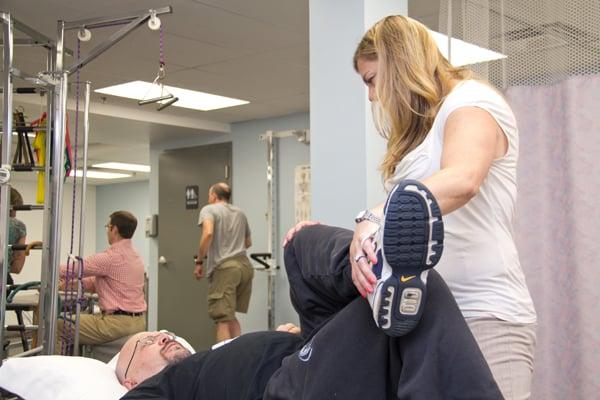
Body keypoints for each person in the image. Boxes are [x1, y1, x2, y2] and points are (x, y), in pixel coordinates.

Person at [121, 183, 503, 399]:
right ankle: (377, 265)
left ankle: (370, 260)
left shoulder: (213, 355)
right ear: (130, 379)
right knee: (422, 292)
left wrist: (290, 339)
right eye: (147, 341)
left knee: (299, 245)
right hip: (286, 385)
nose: (162, 334)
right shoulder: (167, 386)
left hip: (314, 354)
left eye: (158, 332)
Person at [348, 15, 536, 399]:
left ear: (398, 63)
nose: (370, 96)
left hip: (485, 313)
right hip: (426, 316)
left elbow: (463, 179)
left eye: (371, 79)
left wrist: (374, 216)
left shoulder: (472, 101)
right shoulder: (421, 134)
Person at [57, 211, 147, 350]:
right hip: (139, 322)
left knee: (58, 324)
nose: (107, 231)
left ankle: (55, 369)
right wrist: (71, 285)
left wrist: (51, 270)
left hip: (115, 324)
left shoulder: (110, 257)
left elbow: (70, 269)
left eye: (107, 226)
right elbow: (97, 282)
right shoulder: (135, 257)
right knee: (78, 322)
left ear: (114, 229)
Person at [195, 182, 253, 342]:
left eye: (209, 195)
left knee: (221, 318)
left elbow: (207, 233)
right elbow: (248, 243)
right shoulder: (240, 213)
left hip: (226, 268)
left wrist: (199, 261)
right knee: (230, 315)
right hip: (244, 266)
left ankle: (224, 361)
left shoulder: (209, 209)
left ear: (213, 196)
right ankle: (238, 357)